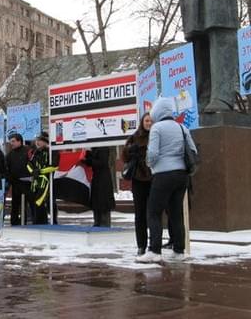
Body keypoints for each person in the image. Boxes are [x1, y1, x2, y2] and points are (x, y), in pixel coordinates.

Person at [137, 97, 197, 263]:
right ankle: (179, 250)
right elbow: (193, 149)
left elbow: (153, 154)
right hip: (181, 175)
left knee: (154, 212)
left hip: (163, 175)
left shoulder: (157, 128)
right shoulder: (182, 127)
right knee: (176, 213)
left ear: (157, 112)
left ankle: (154, 250)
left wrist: (150, 164)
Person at [123, 113, 153, 255]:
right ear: (142, 122)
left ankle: (154, 244)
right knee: (140, 214)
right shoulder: (135, 136)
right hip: (139, 179)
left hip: (154, 178)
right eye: (146, 121)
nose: (149, 123)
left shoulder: (157, 134)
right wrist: (130, 150)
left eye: (151, 121)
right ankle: (141, 245)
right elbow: (124, 156)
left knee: (153, 213)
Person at [83, 147, 116, 227]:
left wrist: (89, 160)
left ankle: (103, 225)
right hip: (97, 179)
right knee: (97, 204)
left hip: (103, 181)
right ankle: (97, 223)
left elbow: (102, 162)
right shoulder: (95, 148)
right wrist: (88, 156)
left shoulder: (103, 148)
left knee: (103, 205)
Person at [6, 133, 31, 226]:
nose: (11, 143)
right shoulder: (10, 154)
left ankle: (25, 221)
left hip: (27, 182)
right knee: (15, 203)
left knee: (26, 203)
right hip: (15, 182)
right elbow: (6, 167)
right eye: (10, 142)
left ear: (19, 141)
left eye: (13, 141)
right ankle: (14, 222)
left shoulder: (28, 151)